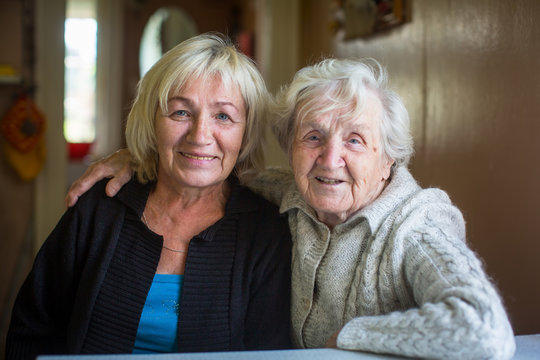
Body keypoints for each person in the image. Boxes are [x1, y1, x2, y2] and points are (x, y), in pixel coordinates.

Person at [64, 58, 516, 359]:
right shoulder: (292, 195)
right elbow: (209, 164)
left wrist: (354, 337)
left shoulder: (416, 226)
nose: (329, 158)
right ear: (291, 148)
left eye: (355, 140)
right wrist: (138, 158)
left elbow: (483, 330)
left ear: (389, 158)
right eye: (313, 137)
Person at [6, 33, 292, 359]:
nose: (200, 136)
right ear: (153, 121)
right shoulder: (99, 210)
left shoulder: (266, 234)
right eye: (180, 112)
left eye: (223, 116)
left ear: (246, 132)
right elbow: (31, 332)